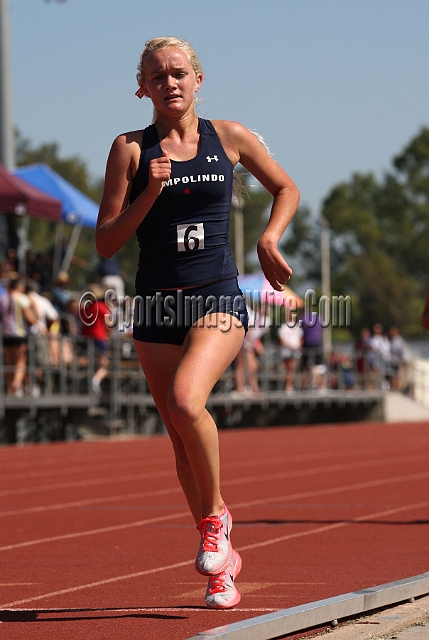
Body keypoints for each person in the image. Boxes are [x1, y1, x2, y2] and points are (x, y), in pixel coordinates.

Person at [95, 37, 299, 609]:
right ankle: (223, 567)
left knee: (188, 402)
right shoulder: (130, 150)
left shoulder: (229, 138)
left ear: (199, 79)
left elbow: (286, 187)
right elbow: (106, 242)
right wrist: (150, 190)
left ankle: (215, 520)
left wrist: (268, 237)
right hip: (157, 305)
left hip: (217, 297)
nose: (170, 83)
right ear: (142, 87)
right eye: (157, 77)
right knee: (181, 445)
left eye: (179, 73)